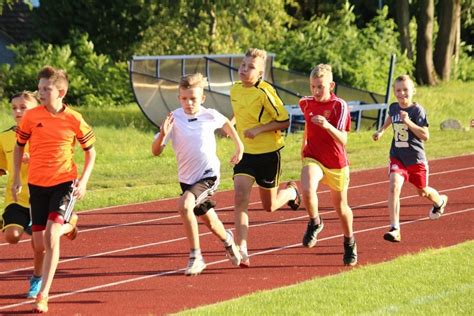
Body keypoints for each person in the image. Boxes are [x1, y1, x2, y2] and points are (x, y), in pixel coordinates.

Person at [12, 66, 96, 313]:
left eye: (46, 89)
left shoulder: (74, 119)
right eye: (39, 89)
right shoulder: (31, 116)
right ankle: (69, 225)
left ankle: (44, 294)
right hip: (37, 185)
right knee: (38, 244)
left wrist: (84, 181)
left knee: (50, 237)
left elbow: (90, 152)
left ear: (61, 92)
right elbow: (19, 146)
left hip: (63, 183)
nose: (40, 94)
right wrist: (17, 176)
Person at [152, 73, 244, 276]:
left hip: (208, 175)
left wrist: (239, 146)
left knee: (185, 205)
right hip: (186, 180)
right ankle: (228, 240)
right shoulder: (174, 118)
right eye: (184, 98)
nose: (189, 103)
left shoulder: (209, 115)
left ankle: (196, 257)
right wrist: (162, 134)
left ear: (202, 98)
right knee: (209, 221)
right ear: (179, 98)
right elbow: (156, 151)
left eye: (193, 98)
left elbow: (227, 124)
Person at [1, 91, 78, 299]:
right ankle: (63, 225)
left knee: (40, 246)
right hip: (16, 198)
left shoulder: (46, 131)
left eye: (23, 107)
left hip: (43, 194)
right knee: (11, 236)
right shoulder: (5, 137)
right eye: (14, 107)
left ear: (36, 108)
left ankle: (37, 279)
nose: (18, 111)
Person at [230, 48, 301, 268]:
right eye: (243, 64)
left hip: (268, 155)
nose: (244, 69)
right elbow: (242, 110)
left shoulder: (265, 92)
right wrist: (231, 124)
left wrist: (259, 129)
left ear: (260, 73)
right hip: (245, 154)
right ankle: (241, 248)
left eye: (250, 67)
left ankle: (291, 193)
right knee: (240, 198)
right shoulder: (234, 89)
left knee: (269, 206)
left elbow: (285, 121)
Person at [372, 74, 448, 242]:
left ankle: (439, 202)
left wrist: (409, 123)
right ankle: (395, 228)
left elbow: (425, 135)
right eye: (398, 90)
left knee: (423, 191)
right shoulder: (393, 107)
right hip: (397, 157)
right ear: (394, 91)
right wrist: (381, 131)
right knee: (394, 186)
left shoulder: (417, 110)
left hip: (416, 160)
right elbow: (391, 118)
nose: (402, 94)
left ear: (413, 91)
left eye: (405, 90)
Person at [298, 64, 357, 266]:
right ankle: (315, 221)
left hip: (336, 163)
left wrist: (327, 125)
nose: (315, 91)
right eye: (312, 86)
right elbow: (307, 123)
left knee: (341, 208)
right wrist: (303, 145)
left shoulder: (339, 106)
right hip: (313, 157)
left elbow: (343, 139)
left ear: (331, 85)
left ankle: (349, 240)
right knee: (306, 188)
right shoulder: (305, 103)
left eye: (320, 87)